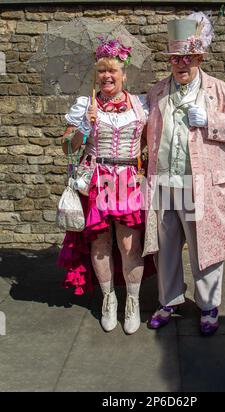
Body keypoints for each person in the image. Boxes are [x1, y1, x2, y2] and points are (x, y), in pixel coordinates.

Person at [142, 13, 225, 335]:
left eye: (187, 57)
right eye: (176, 58)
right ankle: (168, 300)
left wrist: (210, 120)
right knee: (165, 245)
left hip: (198, 184)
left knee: (206, 247)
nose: (181, 64)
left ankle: (208, 306)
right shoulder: (157, 92)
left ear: (199, 57)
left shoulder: (221, 92)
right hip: (162, 182)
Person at [57, 36, 149, 335]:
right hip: (97, 179)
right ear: (96, 74)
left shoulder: (141, 104)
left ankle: (131, 302)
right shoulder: (85, 104)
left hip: (128, 181)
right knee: (99, 243)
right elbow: (67, 147)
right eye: (102, 71)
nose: (107, 76)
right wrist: (83, 126)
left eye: (113, 71)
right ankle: (109, 298)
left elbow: (149, 142)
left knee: (128, 244)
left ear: (124, 74)